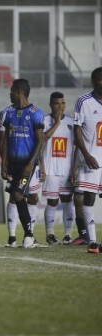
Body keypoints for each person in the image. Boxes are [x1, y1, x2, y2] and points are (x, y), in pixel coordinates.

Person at [1, 79, 45, 249]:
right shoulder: (10, 114)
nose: (9, 94)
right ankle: (21, 236)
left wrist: (31, 164)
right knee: (16, 197)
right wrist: (4, 163)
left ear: (19, 92)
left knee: (19, 195)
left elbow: (40, 141)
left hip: (27, 164)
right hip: (12, 164)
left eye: (11, 91)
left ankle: (29, 235)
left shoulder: (36, 113)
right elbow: (6, 139)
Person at [73, 67, 102, 254]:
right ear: (93, 82)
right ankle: (92, 241)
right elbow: (76, 130)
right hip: (91, 160)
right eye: (99, 79)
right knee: (89, 198)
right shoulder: (83, 102)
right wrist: (87, 154)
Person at [41, 92, 75, 245]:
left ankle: (68, 234)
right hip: (50, 169)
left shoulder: (71, 122)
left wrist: (74, 169)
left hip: (67, 169)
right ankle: (50, 234)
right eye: (56, 103)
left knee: (68, 201)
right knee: (53, 202)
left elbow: (76, 146)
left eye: (62, 103)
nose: (60, 106)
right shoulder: (45, 120)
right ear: (50, 104)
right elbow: (41, 142)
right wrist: (56, 123)